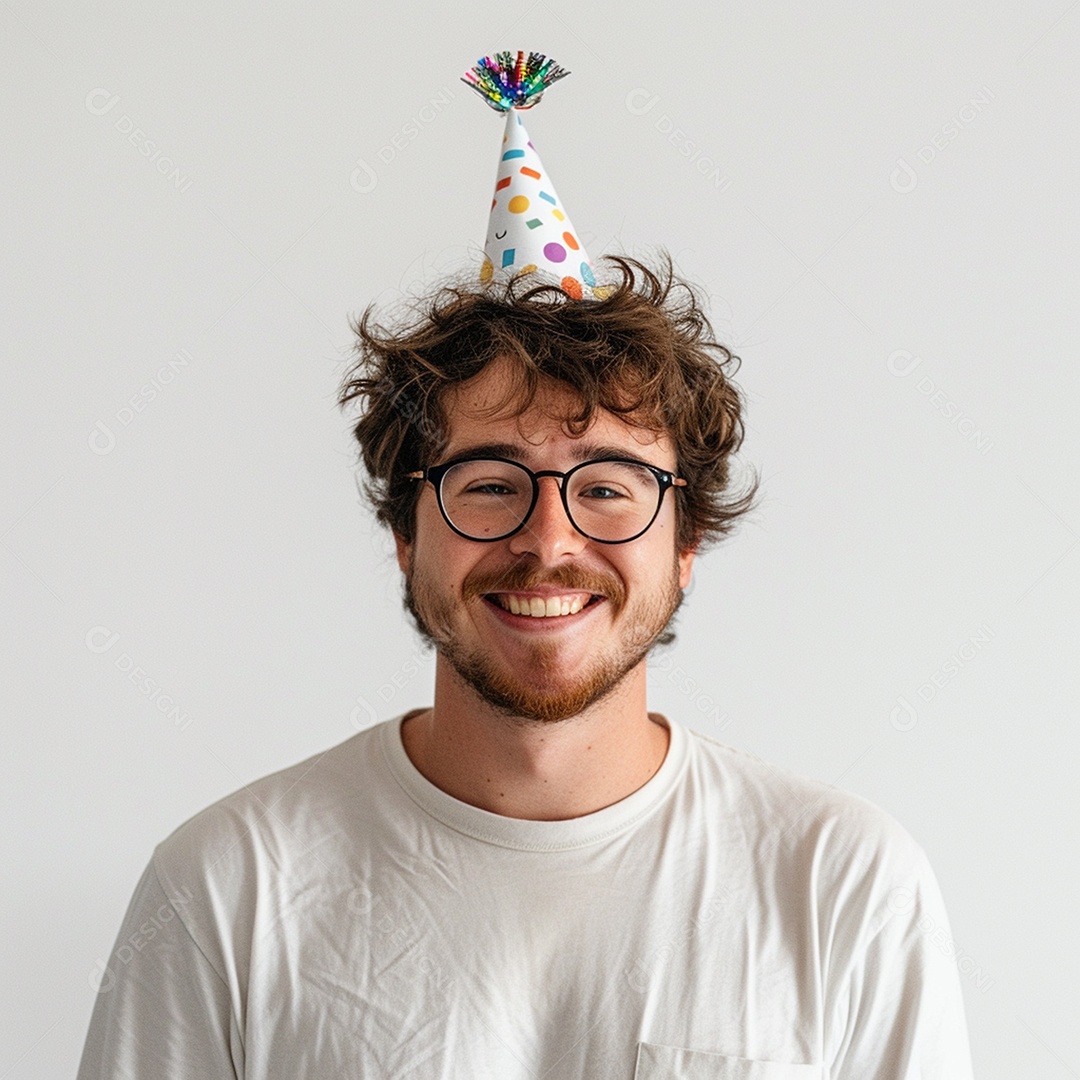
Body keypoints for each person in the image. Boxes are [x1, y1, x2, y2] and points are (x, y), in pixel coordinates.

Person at [76, 256, 975, 1078]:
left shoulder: (841, 884)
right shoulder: (226, 887)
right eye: (491, 485)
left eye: (608, 488)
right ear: (404, 533)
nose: (548, 543)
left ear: (687, 540)